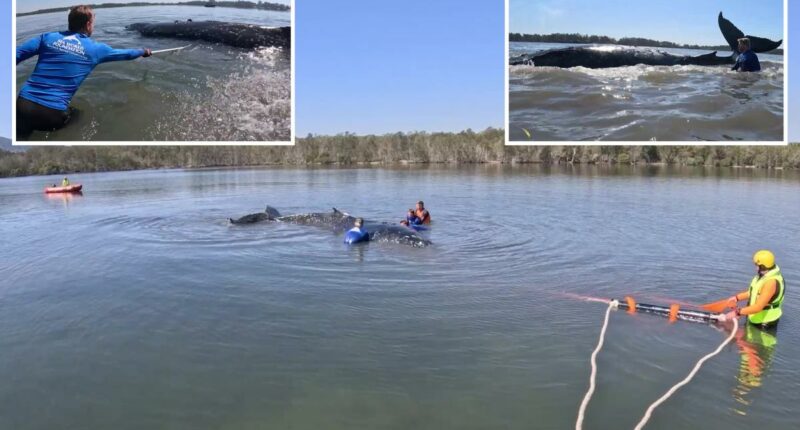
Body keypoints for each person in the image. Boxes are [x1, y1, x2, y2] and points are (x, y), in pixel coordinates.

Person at [16, 5, 153, 138]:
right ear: (88, 24)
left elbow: (16, 54)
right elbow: (127, 54)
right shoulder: (96, 49)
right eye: (93, 23)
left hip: (23, 104)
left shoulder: (47, 37)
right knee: (78, 115)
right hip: (53, 114)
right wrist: (143, 51)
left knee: (21, 136)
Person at [720, 250, 784, 328]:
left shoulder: (770, 283)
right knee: (746, 335)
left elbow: (758, 307)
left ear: (763, 266)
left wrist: (737, 312)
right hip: (755, 317)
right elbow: (753, 292)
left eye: (758, 266)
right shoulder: (763, 275)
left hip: (765, 322)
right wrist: (737, 298)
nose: (756, 268)